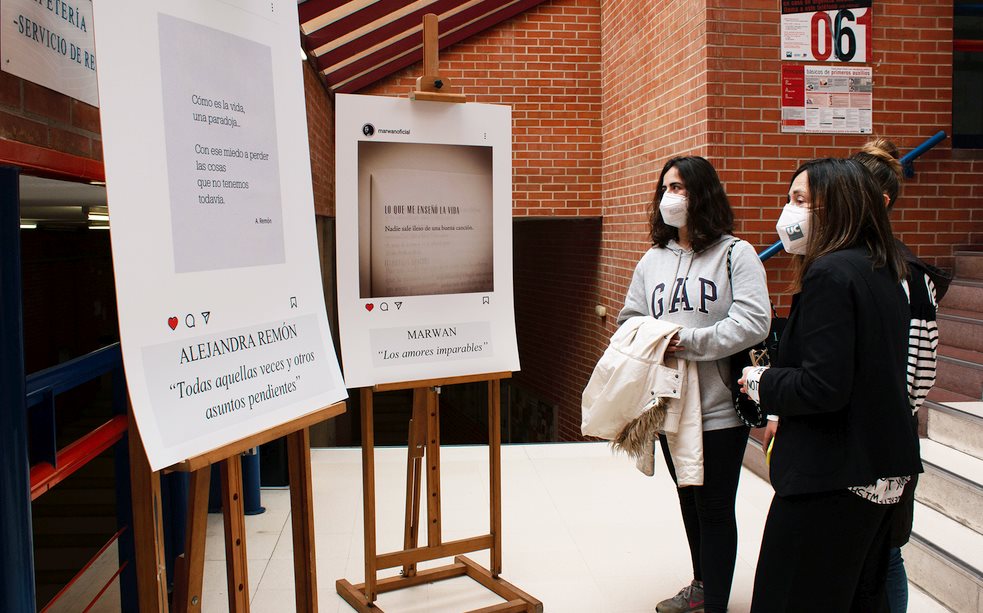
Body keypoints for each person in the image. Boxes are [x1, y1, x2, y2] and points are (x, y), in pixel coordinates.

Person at [740, 158, 922, 612]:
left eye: (800, 200)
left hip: (834, 474)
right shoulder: (884, 267)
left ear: (836, 207)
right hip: (879, 468)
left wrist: (762, 382)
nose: (789, 211)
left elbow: (824, 386)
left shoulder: (830, 274)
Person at [618, 155, 771, 613]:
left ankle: (716, 603)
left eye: (681, 188)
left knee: (716, 508)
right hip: (669, 405)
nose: (671, 197)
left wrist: (686, 341)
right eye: (666, 187)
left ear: (703, 194)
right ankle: (703, 585)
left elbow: (754, 321)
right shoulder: (652, 260)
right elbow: (628, 321)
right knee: (689, 499)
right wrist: (654, 338)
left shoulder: (735, 254)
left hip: (721, 405)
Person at [851, 139, 951, 612]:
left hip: (881, 439)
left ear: (879, 202)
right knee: (872, 553)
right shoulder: (860, 266)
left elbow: (918, 369)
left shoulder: (903, 273)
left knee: (883, 553)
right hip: (877, 435)